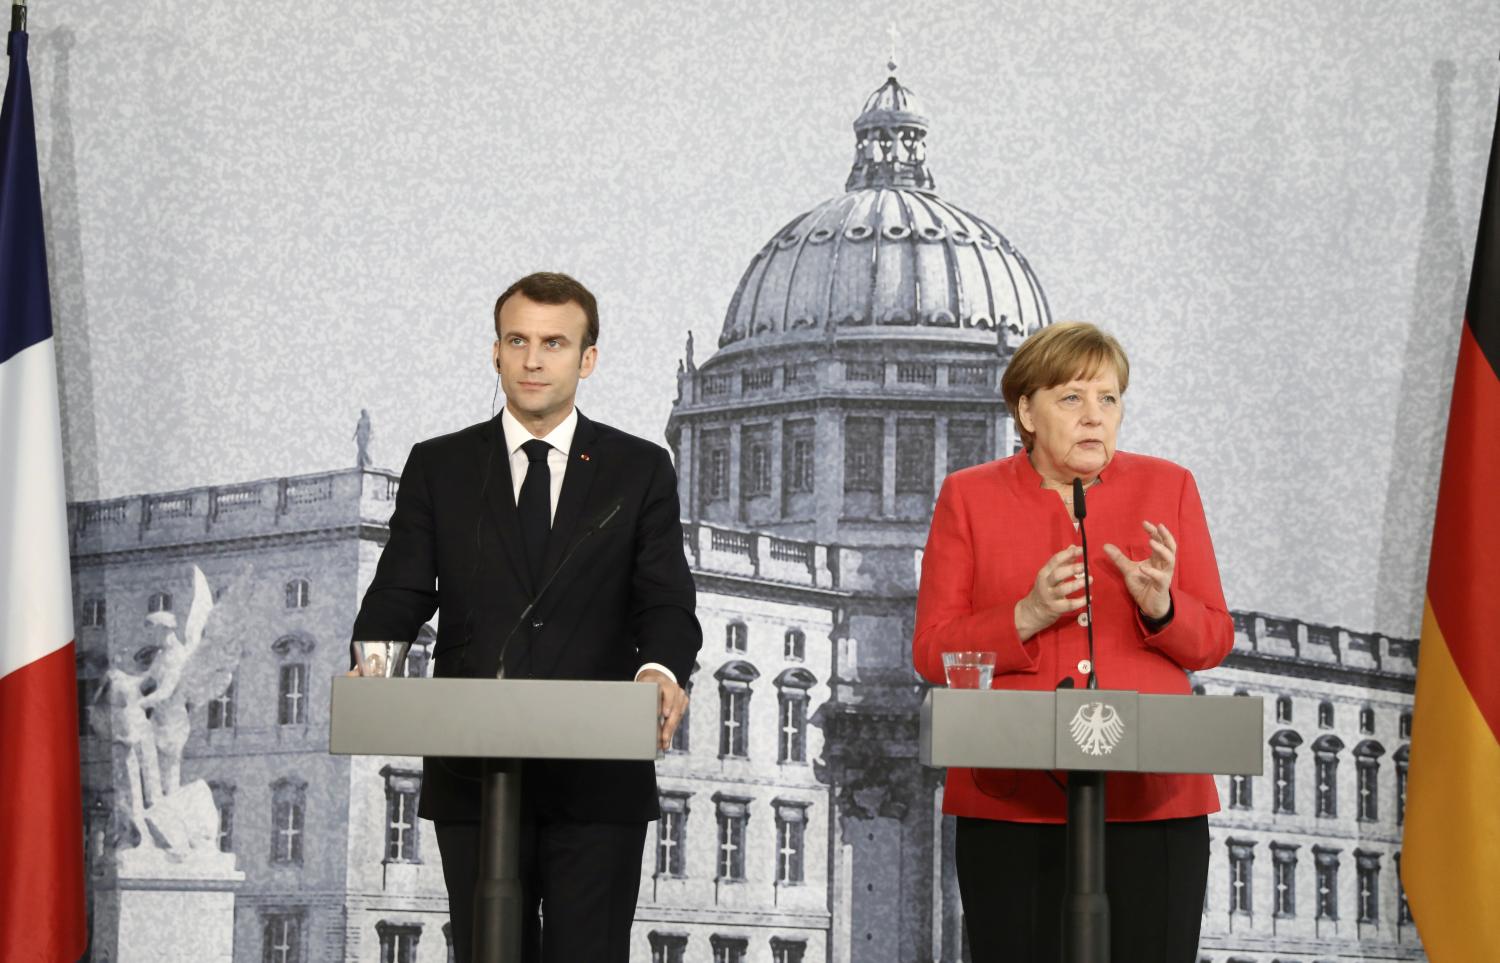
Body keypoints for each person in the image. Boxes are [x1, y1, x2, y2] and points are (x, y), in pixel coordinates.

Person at [350, 272, 701, 962]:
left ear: (587, 358)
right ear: (496, 353)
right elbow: (398, 591)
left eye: (554, 343)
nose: (533, 360)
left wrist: (659, 668)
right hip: (474, 773)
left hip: (599, 779)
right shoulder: (440, 466)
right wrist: (376, 652)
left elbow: (665, 599)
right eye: (518, 341)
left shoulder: (639, 470)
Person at [911, 321, 1233, 962]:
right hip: (1013, 802)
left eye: (1108, 399)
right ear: (1026, 410)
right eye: (1072, 399)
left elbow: (1213, 641)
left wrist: (1163, 607)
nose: (1095, 417)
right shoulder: (968, 497)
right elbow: (933, 651)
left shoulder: (1168, 487)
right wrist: (1025, 615)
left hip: (1154, 802)